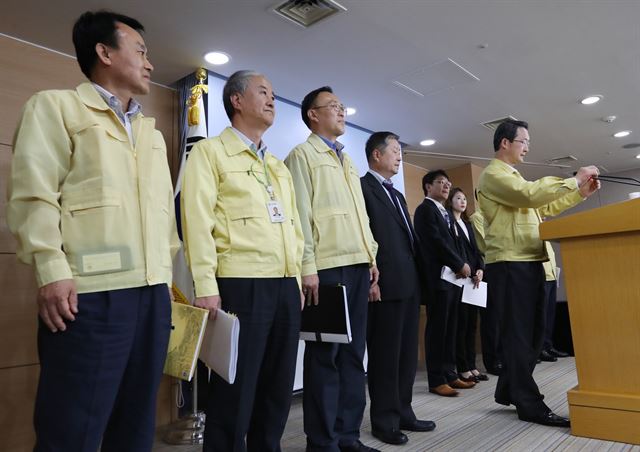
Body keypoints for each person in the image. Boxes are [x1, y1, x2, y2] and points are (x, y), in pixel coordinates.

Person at [6, 11, 179, 451]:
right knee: (73, 426)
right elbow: (35, 196)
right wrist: (50, 267)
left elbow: (162, 215)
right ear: (104, 52)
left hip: (153, 293)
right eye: (140, 51)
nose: (150, 63)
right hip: (90, 294)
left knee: (137, 424)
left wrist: (170, 282)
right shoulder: (56, 106)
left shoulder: (151, 132)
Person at [181, 70, 305, 451]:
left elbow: (294, 226)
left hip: (284, 285)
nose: (272, 100)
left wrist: (297, 280)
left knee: (277, 388)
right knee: (235, 391)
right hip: (240, 283)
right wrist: (205, 285)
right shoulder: (209, 152)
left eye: (273, 93)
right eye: (263, 92)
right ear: (236, 100)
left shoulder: (278, 165)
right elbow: (197, 222)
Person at [477, 118, 600, 427]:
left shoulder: (513, 177)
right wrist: (574, 179)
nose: (528, 146)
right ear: (505, 143)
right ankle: (528, 403)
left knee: (532, 335)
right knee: (520, 336)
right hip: (509, 262)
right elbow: (531, 196)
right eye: (523, 141)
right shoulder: (493, 174)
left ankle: (509, 388)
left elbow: (541, 209)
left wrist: (580, 194)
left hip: (528, 260)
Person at [285, 86, 379, 452]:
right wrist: (307, 266)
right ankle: (322, 443)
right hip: (325, 270)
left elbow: (361, 217)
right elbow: (300, 218)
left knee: (355, 355)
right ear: (312, 114)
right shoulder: (302, 156)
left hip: (357, 266)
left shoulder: (348, 160)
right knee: (326, 357)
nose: (342, 111)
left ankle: (348, 436)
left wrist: (372, 259)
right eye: (334, 106)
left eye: (342, 106)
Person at [360, 132, 436, 446]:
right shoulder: (362, 188)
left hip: (409, 283)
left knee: (406, 356)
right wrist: (369, 276)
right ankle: (384, 419)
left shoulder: (397, 194)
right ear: (376, 155)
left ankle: (404, 410)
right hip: (384, 285)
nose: (399, 156)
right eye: (394, 151)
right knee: (385, 357)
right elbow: (365, 237)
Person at [413, 170, 476, 397]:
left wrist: (463, 265)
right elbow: (436, 243)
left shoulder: (445, 213)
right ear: (428, 187)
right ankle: (436, 379)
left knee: (451, 329)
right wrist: (459, 263)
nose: (447, 186)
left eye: (448, 183)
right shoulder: (425, 210)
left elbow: (454, 244)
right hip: (437, 280)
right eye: (441, 182)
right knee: (438, 330)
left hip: (452, 279)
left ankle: (450, 374)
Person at [445, 188, 488, 383]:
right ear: (450, 201)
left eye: (464, 198)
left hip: (473, 280)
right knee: (461, 325)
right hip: (459, 279)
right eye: (458, 198)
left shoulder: (467, 224)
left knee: (472, 324)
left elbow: (476, 251)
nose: (462, 202)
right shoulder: (449, 223)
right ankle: (462, 367)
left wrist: (480, 269)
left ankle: (472, 366)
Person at [539, 241, 570, 361]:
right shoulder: (534, 228)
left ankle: (548, 346)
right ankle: (540, 349)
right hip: (542, 276)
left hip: (552, 275)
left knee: (550, 314)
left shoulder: (544, 231)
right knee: (541, 316)